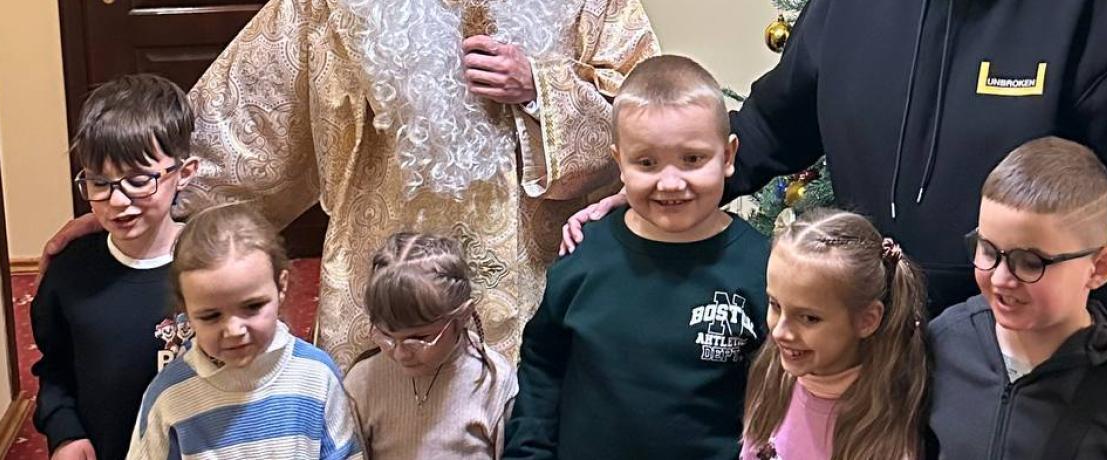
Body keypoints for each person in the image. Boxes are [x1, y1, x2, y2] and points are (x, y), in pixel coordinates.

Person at [560, 0, 1107, 445]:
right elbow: (768, 126)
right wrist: (663, 194)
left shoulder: (1092, 11)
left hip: (1043, 375)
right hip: (879, 353)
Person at [41, 0, 660, 368]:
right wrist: (149, 205)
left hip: (532, 276)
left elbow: (647, 116)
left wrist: (540, 89)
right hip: (376, 277)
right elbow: (247, 119)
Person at [503, 55, 769, 459]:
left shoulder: (761, 267)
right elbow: (543, 366)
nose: (670, 182)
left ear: (728, 156)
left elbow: (781, 395)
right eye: (646, 163)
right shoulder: (585, 254)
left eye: (692, 159)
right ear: (620, 164)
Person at [928, 137, 1107, 459]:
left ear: (1099, 268)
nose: (1001, 279)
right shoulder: (944, 342)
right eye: (988, 250)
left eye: (1030, 262)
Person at [30, 74, 200, 460]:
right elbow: (54, 368)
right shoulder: (69, 273)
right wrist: (65, 432)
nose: (117, 201)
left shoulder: (215, 264)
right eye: (98, 182)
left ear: (184, 173)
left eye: (138, 181)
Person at [127, 204, 362, 459]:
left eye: (252, 307)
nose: (234, 330)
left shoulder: (316, 375)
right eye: (211, 316)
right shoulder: (169, 396)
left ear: (281, 287)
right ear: (186, 310)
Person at [741, 209, 928, 460]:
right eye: (775, 305)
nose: (780, 332)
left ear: (867, 320)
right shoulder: (773, 374)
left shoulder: (884, 430)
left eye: (809, 318)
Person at [345, 232, 517, 459]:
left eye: (420, 338)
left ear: (464, 315)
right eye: (387, 337)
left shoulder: (494, 382)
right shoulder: (362, 382)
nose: (401, 353)